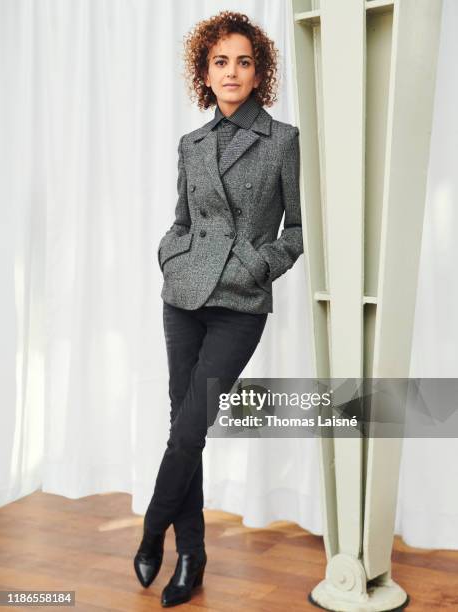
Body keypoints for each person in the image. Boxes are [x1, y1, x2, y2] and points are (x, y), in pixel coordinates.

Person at [134, 10, 304, 608]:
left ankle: (153, 527)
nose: (232, 72)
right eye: (220, 61)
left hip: (239, 303)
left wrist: (259, 266)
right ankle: (193, 557)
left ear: (259, 74)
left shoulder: (282, 140)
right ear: (205, 72)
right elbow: (182, 220)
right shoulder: (192, 144)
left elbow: (297, 231)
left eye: (244, 61)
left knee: (188, 428)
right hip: (182, 297)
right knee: (186, 432)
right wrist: (169, 255)